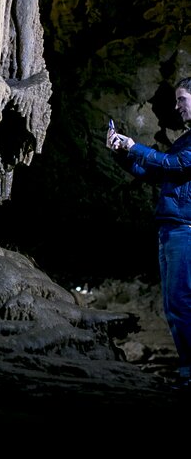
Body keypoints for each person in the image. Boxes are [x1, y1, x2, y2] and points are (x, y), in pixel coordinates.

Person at [106, 76, 191, 391]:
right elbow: (155, 172)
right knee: (175, 304)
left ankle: (189, 373)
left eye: (181, 99)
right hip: (172, 227)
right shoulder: (185, 139)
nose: (176, 106)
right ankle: (186, 370)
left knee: (182, 301)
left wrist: (134, 145)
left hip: (186, 229)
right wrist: (122, 153)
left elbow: (176, 165)